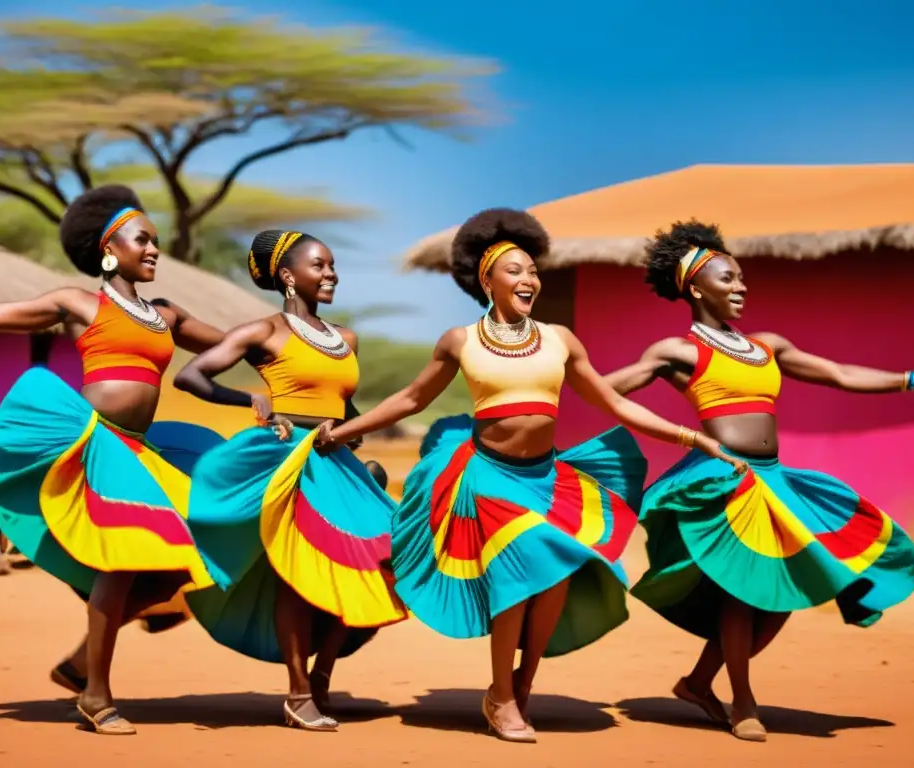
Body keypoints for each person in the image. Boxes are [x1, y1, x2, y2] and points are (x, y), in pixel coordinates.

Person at [315, 208, 746, 743]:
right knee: (526, 565)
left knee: (555, 575)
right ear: (487, 281)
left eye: (533, 272)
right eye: (515, 271)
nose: (528, 280)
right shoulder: (460, 340)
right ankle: (500, 697)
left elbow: (614, 402)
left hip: (545, 478)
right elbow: (409, 398)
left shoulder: (560, 339)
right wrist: (341, 431)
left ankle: (521, 684)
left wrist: (691, 437)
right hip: (487, 477)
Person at [602, 219, 914, 743]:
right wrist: (546, 375)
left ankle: (696, 683)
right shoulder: (677, 352)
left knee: (778, 593)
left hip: (774, 480)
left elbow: (841, 374)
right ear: (695, 287)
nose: (741, 287)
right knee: (742, 592)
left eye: (742, 280)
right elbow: (604, 390)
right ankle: (744, 702)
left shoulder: (768, 346)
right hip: (724, 478)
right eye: (729, 279)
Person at [0, 185, 228, 735]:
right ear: (111, 250)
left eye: (156, 241)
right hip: (94, 447)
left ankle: (79, 663)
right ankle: (96, 695)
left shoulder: (166, 315)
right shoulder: (80, 304)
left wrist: (285, 362)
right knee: (123, 559)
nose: (155, 250)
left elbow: (235, 344)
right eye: (143, 240)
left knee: (172, 573)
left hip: (142, 453)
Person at [175, 229, 406, 732]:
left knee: (373, 565)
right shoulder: (263, 332)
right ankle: (299, 692)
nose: (331, 275)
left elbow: (344, 405)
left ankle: (322, 676)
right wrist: (251, 402)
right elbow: (190, 376)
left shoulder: (346, 338)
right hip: (288, 462)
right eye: (320, 266)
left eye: (332, 266)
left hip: (337, 465)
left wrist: (352, 430)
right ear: (287, 276)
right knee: (297, 578)